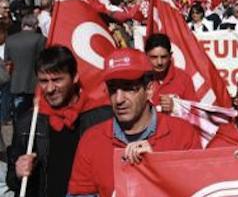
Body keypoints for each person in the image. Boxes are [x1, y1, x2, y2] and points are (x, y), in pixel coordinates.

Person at [67, 48, 201, 196]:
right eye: (113, 89)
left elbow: (198, 191)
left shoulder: (182, 134)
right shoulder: (92, 140)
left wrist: (158, 166)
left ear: (149, 89)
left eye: (128, 88)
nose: (119, 100)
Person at [6, 46, 111, 196]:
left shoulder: (101, 117)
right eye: (43, 81)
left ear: (74, 77)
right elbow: (12, 179)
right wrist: (18, 173)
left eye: (57, 80)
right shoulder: (29, 121)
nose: (49, 89)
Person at [5, 14, 46, 120]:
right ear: (35, 25)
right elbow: (44, 60)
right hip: (35, 82)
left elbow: (7, 60)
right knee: (35, 116)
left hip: (16, 83)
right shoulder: (40, 39)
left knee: (19, 116)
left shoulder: (10, 39)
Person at [144, 34, 197, 113]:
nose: (159, 62)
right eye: (154, 57)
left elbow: (195, 114)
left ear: (170, 56)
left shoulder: (184, 79)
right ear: (145, 56)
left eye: (164, 57)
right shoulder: (138, 78)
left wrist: (175, 107)